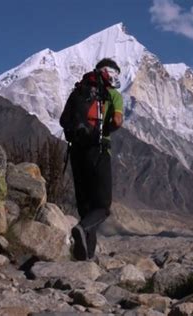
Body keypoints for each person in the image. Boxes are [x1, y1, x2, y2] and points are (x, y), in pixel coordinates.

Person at [59, 58, 123, 260]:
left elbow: (63, 120)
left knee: (86, 207)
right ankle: (81, 229)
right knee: (102, 206)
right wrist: (103, 133)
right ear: (111, 75)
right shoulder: (112, 94)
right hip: (98, 151)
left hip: (76, 152)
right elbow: (117, 121)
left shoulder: (78, 91)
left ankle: (85, 257)